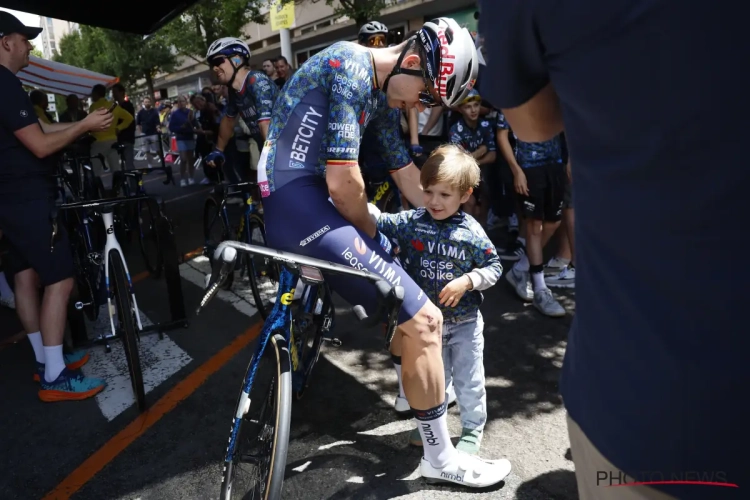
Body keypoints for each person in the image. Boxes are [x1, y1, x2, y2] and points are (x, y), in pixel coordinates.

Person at [480, 1, 748, 499]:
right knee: (537, 224)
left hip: (648, 407)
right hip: (651, 407)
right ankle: (535, 276)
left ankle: (543, 274)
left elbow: (534, 120)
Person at [257, 16, 511, 487]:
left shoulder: (377, 89)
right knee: (425, 318)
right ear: (412, 62)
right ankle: (440, 457)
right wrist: (378, 243)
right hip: (300, 200)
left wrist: (448, 224)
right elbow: (343, 181)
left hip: (298, 199)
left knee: (405, 300)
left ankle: (410, 391)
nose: (422, 106)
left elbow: (406, 175)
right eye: (429, 96)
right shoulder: (351, 65)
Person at [0, 11, 110, 400]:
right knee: (61, 280)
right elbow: (41, 145)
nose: (29, 46)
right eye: (24, 38)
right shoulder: (6, 83)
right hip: (28, 199)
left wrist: (84, 124)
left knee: (25, 278)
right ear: (5, 42)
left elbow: (41, 129)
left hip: (9, 201)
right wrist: (83, 126)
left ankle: (45, 361)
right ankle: (55, 376)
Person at [377, 144, 501, 456]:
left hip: (464, 324)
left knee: (468, 382)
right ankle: (433, 430)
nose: (434, 201)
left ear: (465, 194)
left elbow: (494, 267)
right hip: (428, 326)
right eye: (429, 191)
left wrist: (468, 281)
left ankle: (472, 428)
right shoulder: (412, 221)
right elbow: (379, 220)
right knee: (434, 382)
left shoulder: (471, 232)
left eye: (445, 195)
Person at [203, 38, 278, 172]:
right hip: (269, 151)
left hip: (286, 153)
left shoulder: (256, 80)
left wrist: (272, 162)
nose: (214, 68)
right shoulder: (235, 91)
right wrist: (218, 150)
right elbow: (228, 120)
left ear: (237, 59)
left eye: (218, 61)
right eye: (211, 65)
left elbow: (266, 124)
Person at [448, 89, 497, 229]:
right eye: (468, 107)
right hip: (461, 175)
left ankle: (482, 236)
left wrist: (472, 159)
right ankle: (466, 234)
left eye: (476, 105)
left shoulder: (485, 126)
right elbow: (459, 162)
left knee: (485, 200)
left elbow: (493, 156)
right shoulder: (455, 130)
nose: (473, 110)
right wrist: (481, 151)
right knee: (470, 203)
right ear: (460, 109)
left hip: (482, 174)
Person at [88, 83, 133, 178]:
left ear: (96, 94)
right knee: (116, 169)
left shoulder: (93, 107)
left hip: (98, 142)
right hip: (113, 140)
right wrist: (118, 128)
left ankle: (98, 192)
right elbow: (129, 118)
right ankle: (119, 192)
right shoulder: (113, 106)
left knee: (95, 171)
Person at [111, 83, 136, 170]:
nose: (113, 94)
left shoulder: (127, 106)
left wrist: (119, 128)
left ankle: (134, 183)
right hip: (119, 139)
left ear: (121, 92)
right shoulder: (116, 107)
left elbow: (130, 121)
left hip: (127, 138)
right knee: (123, 164)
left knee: (129, 164)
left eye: (115, 92)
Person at [135, 96, 161, 169]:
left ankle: (162, 161)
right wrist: (140, 133)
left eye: (148, 102)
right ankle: (150, 164)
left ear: (150, 102)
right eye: (146, 102)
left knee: (157, 149)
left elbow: (157, 122)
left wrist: (158, 128)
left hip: (153, 133)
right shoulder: (140, 113)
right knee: (147, 150)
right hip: (144, 134)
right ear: (143, 103)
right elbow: (138, 124)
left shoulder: (154, 111)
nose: (147, 103)